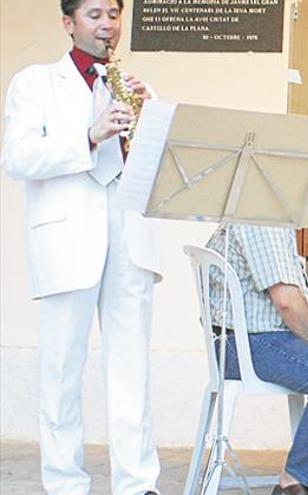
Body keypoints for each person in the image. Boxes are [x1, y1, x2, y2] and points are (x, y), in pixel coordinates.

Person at [1, 1, 162, 494]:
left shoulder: (137, 87)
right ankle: (66, 484)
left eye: (113, 14)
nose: (108, 25)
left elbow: (161, 164)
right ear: (68, 24)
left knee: (132, 369)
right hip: (67, 236)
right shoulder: (35, 82)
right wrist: (90, 135)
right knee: (62, 370)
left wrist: (151, 117)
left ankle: (138, 484)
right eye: (95, 15)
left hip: (128, 236)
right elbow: (18, 157)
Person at [206, 224, 308, 495]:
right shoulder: (263, 221)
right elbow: (287, 302)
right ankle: (294, 481)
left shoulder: (268, 217)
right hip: (248, 344)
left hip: (259, 339)